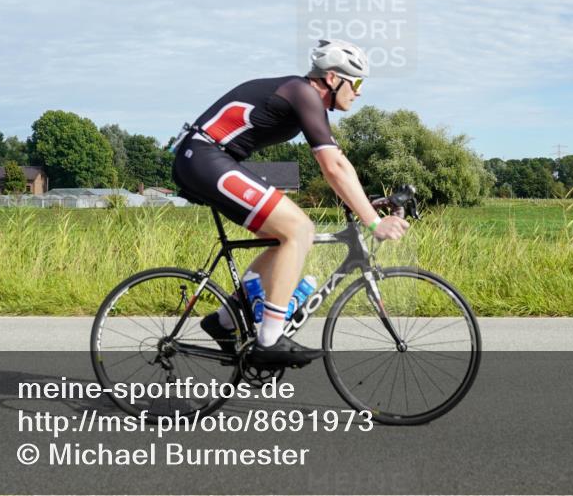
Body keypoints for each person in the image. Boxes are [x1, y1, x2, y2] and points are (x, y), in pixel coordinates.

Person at [171, 39, 410, 365]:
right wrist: (373, 222)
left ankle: (224, 320)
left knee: (284, 237)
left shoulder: (303, 98)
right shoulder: (303, 93)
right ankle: (269, 340)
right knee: (299, 229)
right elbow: (333, 168)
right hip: (204, 157)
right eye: (356, 83)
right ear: (332, 78)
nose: (359, 92)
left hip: (208, 159)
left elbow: (340, 162)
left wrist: (368, 203)